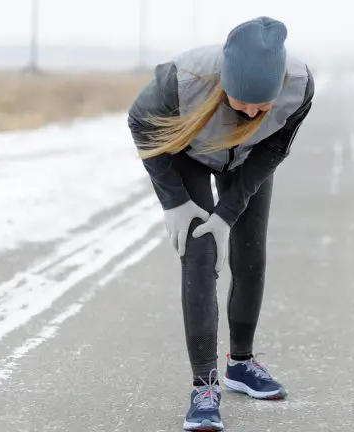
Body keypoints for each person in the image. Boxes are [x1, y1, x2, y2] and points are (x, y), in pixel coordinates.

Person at [126, 16, 314, 431]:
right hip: (189, 154)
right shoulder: (182, 80)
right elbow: (140, 123)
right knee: (201, 256)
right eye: (241, 100)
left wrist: (229, 212)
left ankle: (241, 365)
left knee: (251, 256)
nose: (251, 111)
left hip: (248, 160)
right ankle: (204, 387)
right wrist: (174, 201)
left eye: (262, 104)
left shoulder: (299, 87)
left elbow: (275, 148)